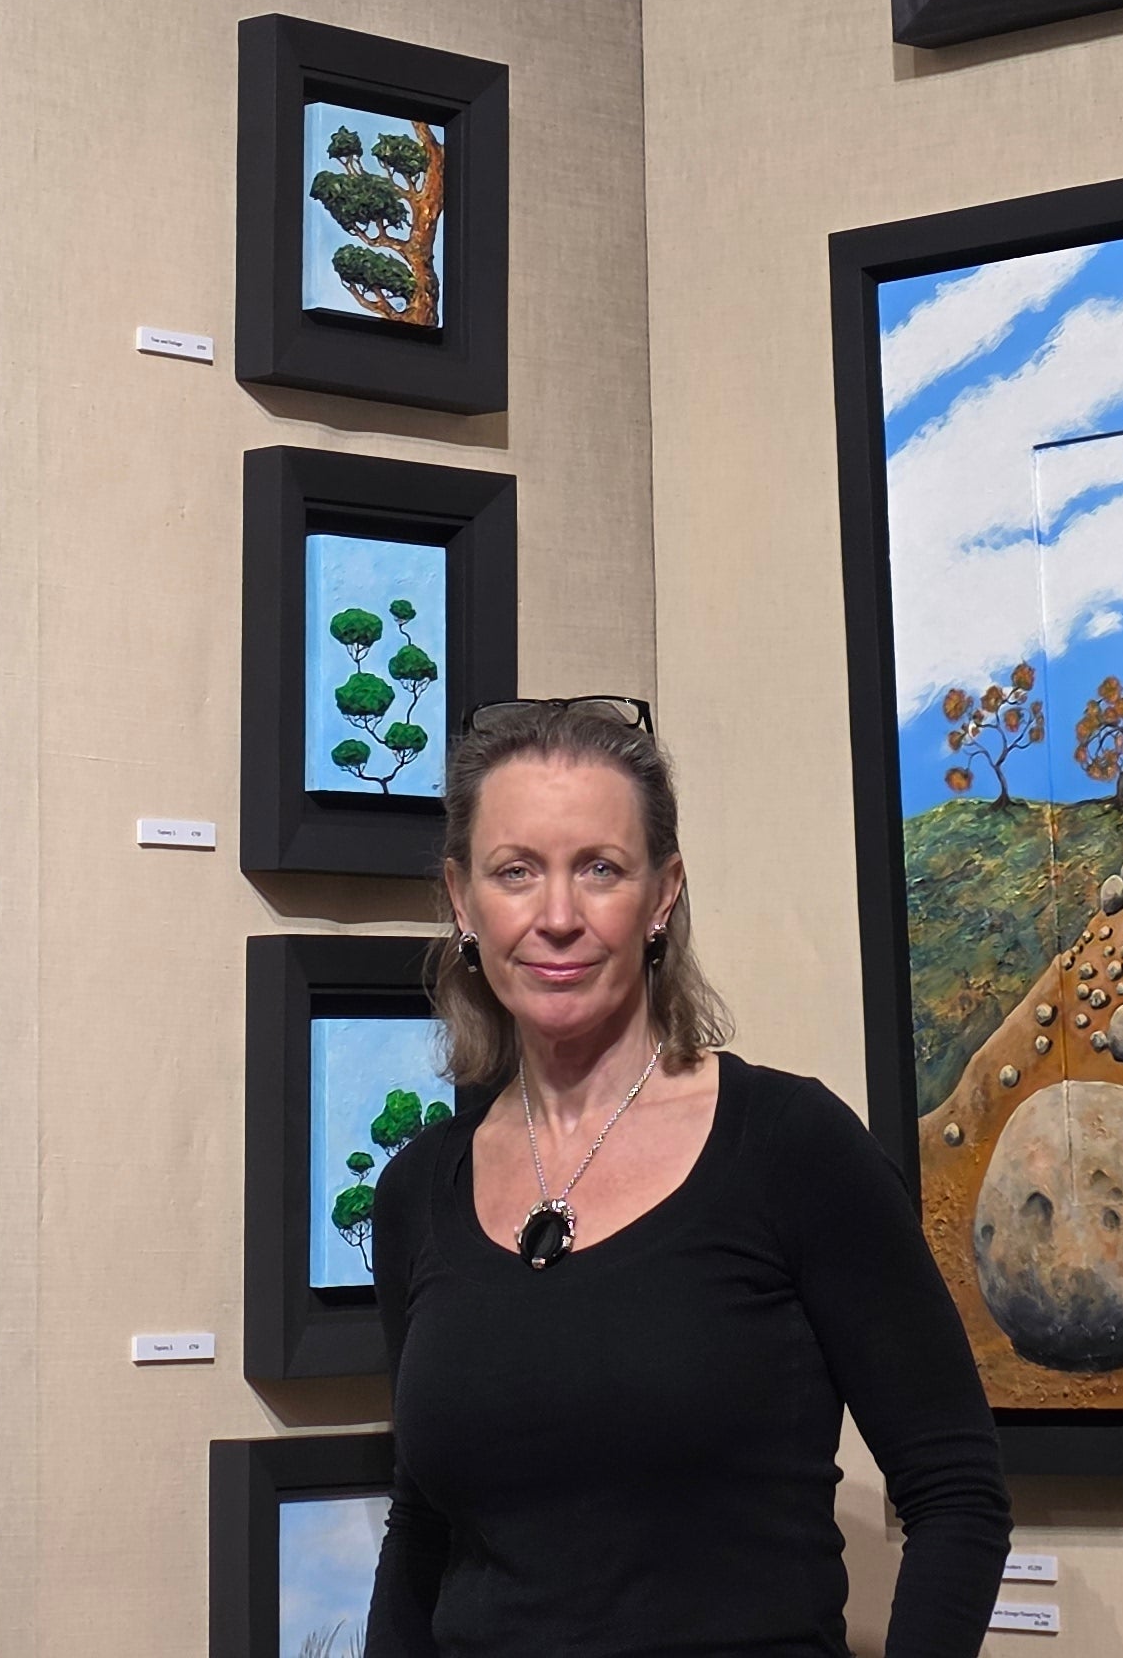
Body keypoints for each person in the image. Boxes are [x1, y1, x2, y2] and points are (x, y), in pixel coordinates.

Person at [362, 695, 1011, 1657]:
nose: (556, 917)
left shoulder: (793, 1147)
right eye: (516, 872)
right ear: (463, 901)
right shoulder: (418, 1193)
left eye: (600, 870)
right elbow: (422, 1534)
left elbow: (957, 1494)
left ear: (662, 895)